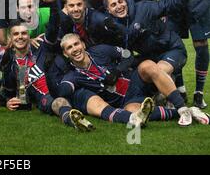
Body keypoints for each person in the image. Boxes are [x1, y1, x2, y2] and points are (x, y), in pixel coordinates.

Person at [59, 34, 209, 126]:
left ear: (83, 44)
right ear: (66, 54)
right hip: (127, 101)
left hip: (135, 82)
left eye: (76, 44)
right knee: (133, 112)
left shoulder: (100, 50)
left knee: (147, 65)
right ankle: (187, 111)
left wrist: (118, 71)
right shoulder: (73, 76)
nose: (75, 49)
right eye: (69, 48)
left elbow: (128, 55)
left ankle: (181, 106)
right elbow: (63, 90)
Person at [0, 20, 95, 132]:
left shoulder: (40, 45)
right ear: (10, 38)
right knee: (59, 102)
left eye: (24, 33)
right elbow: (7, 91)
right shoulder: (10, 64)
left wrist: (53, 5)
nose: (20, 37)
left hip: (66, 84)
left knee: (95, 102)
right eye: (16, 34)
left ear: (29, 35)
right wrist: (7, 101)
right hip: (46, 97)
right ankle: (72, 119)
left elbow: (54, 29)